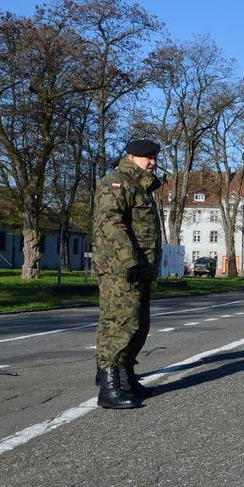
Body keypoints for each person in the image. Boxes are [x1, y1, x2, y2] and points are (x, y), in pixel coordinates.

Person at [93, 139, 164, 409]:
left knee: (139, 324)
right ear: (132, 157)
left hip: (140, 268)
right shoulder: (117, 182)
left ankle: (125, 379)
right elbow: (110, 223)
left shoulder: (141, 186)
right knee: (120, 323)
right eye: (148, 157)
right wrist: (128, 260)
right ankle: (109, 387)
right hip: (120, 268)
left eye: (154, 157)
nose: (153, 162)